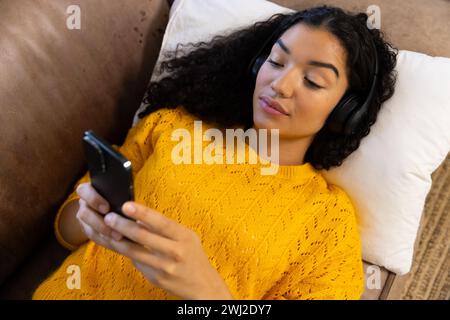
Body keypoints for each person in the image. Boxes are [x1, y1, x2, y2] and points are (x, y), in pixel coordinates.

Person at [33, 6, 397, 300]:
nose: (280, 85)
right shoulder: (173, 128)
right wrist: (87, 217)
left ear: (346, 111)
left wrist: (209, 293)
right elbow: (66, 231)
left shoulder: (326, 224)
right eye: (275, 61)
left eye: (313, 81)